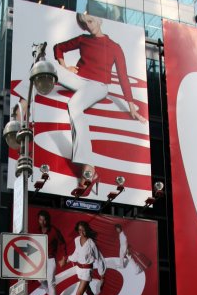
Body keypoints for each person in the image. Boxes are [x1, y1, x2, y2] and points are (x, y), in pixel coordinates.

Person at [52, 12, 147, 193]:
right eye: (84, 23)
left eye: (90, 21)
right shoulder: (83, 39)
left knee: (74, 106)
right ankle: (24, 103)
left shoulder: (114, 47)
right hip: (79, 79)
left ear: (100, 20)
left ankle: (89, 168)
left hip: (99, 85)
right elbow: (58, 47)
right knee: (49, 66)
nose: (88, 25)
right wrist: (65, 67)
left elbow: (123, 76)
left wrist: (131, 106)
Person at [63, 221, 104, 295]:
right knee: (88, 291)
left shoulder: (91, 243)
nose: (82, 232)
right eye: (80, 230)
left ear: (87, 229)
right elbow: (76, 254)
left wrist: (102, 275)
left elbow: (99, 258)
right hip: (79, 270)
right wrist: (68, 259)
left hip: (87, 271)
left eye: (83, 229)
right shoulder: (77, 240)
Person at [37, 210, 67, 295]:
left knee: (51, 282)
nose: (43, 222)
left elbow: (63, 243)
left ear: (48, 220)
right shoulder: (38, 231)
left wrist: (64, 258)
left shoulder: (54, 231)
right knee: (40, 280)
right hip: (39, 260)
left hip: (50, 260)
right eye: (40, 219)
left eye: (44, 220)